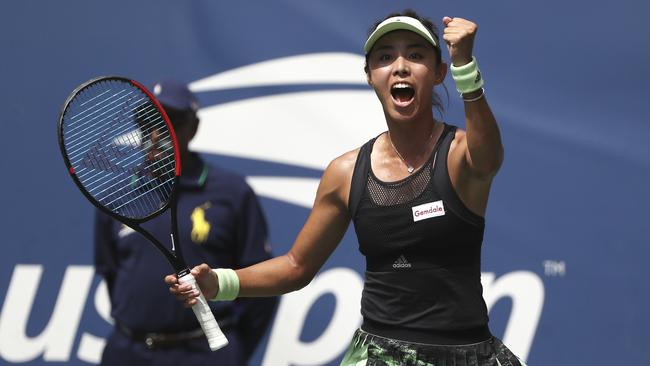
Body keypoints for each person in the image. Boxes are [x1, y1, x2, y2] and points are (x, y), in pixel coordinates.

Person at [167, 10, 527, 366]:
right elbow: (296, 266)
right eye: (385, 58)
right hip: (379, 356)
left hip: (470, 353)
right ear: (370, 76)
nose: (400, 66)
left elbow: (488, 160)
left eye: (415, 55)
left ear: (438, 74)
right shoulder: (345, 172)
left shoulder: (460, 154)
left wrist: (467, 68)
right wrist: (218, 283)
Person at [95, 79, 277, 366]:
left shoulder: (231, 192)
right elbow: (109, 271)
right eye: (147, 123)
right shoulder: (116, 198)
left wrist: (235, 351)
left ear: (192, 128)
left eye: (170, 122)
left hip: (203, 354)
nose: (156, 134)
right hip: (127, 353)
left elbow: (263, 285)